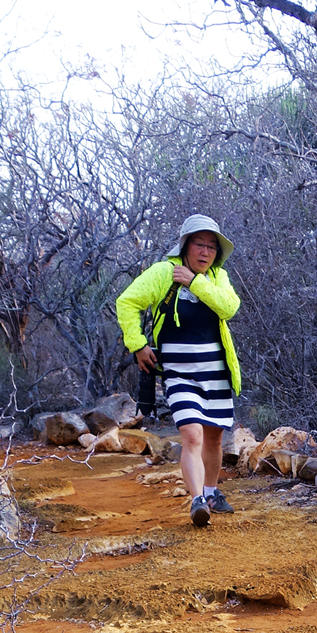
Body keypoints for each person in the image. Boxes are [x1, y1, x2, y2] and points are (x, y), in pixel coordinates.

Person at [116, 215, 242, 529]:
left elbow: (229, 307)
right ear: (185, 244)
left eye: (212, 246)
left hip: (216, 373)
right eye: (199, 244)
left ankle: (212, 494)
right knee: (191, 434)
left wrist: (195, 282)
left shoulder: (217, 278)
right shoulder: (163, 273)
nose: (206, 251)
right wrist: (138, 344)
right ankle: (197, 500)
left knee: (213, 439)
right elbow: (127, 301)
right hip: (179, 374)